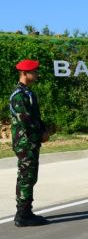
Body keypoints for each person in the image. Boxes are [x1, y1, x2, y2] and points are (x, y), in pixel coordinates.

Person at [10, 59, 49, 227]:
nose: (36, 74)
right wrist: (41, 134)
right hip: (25, 142)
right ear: (24, 73)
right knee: (26, 177)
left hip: (31, 141)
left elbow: (35, 117)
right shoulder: (19, 95)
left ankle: (26, 210)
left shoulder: (28, 93)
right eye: (33, 71)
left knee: (30, 176)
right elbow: (25, 119)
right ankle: (22, 215)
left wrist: (45, 128)